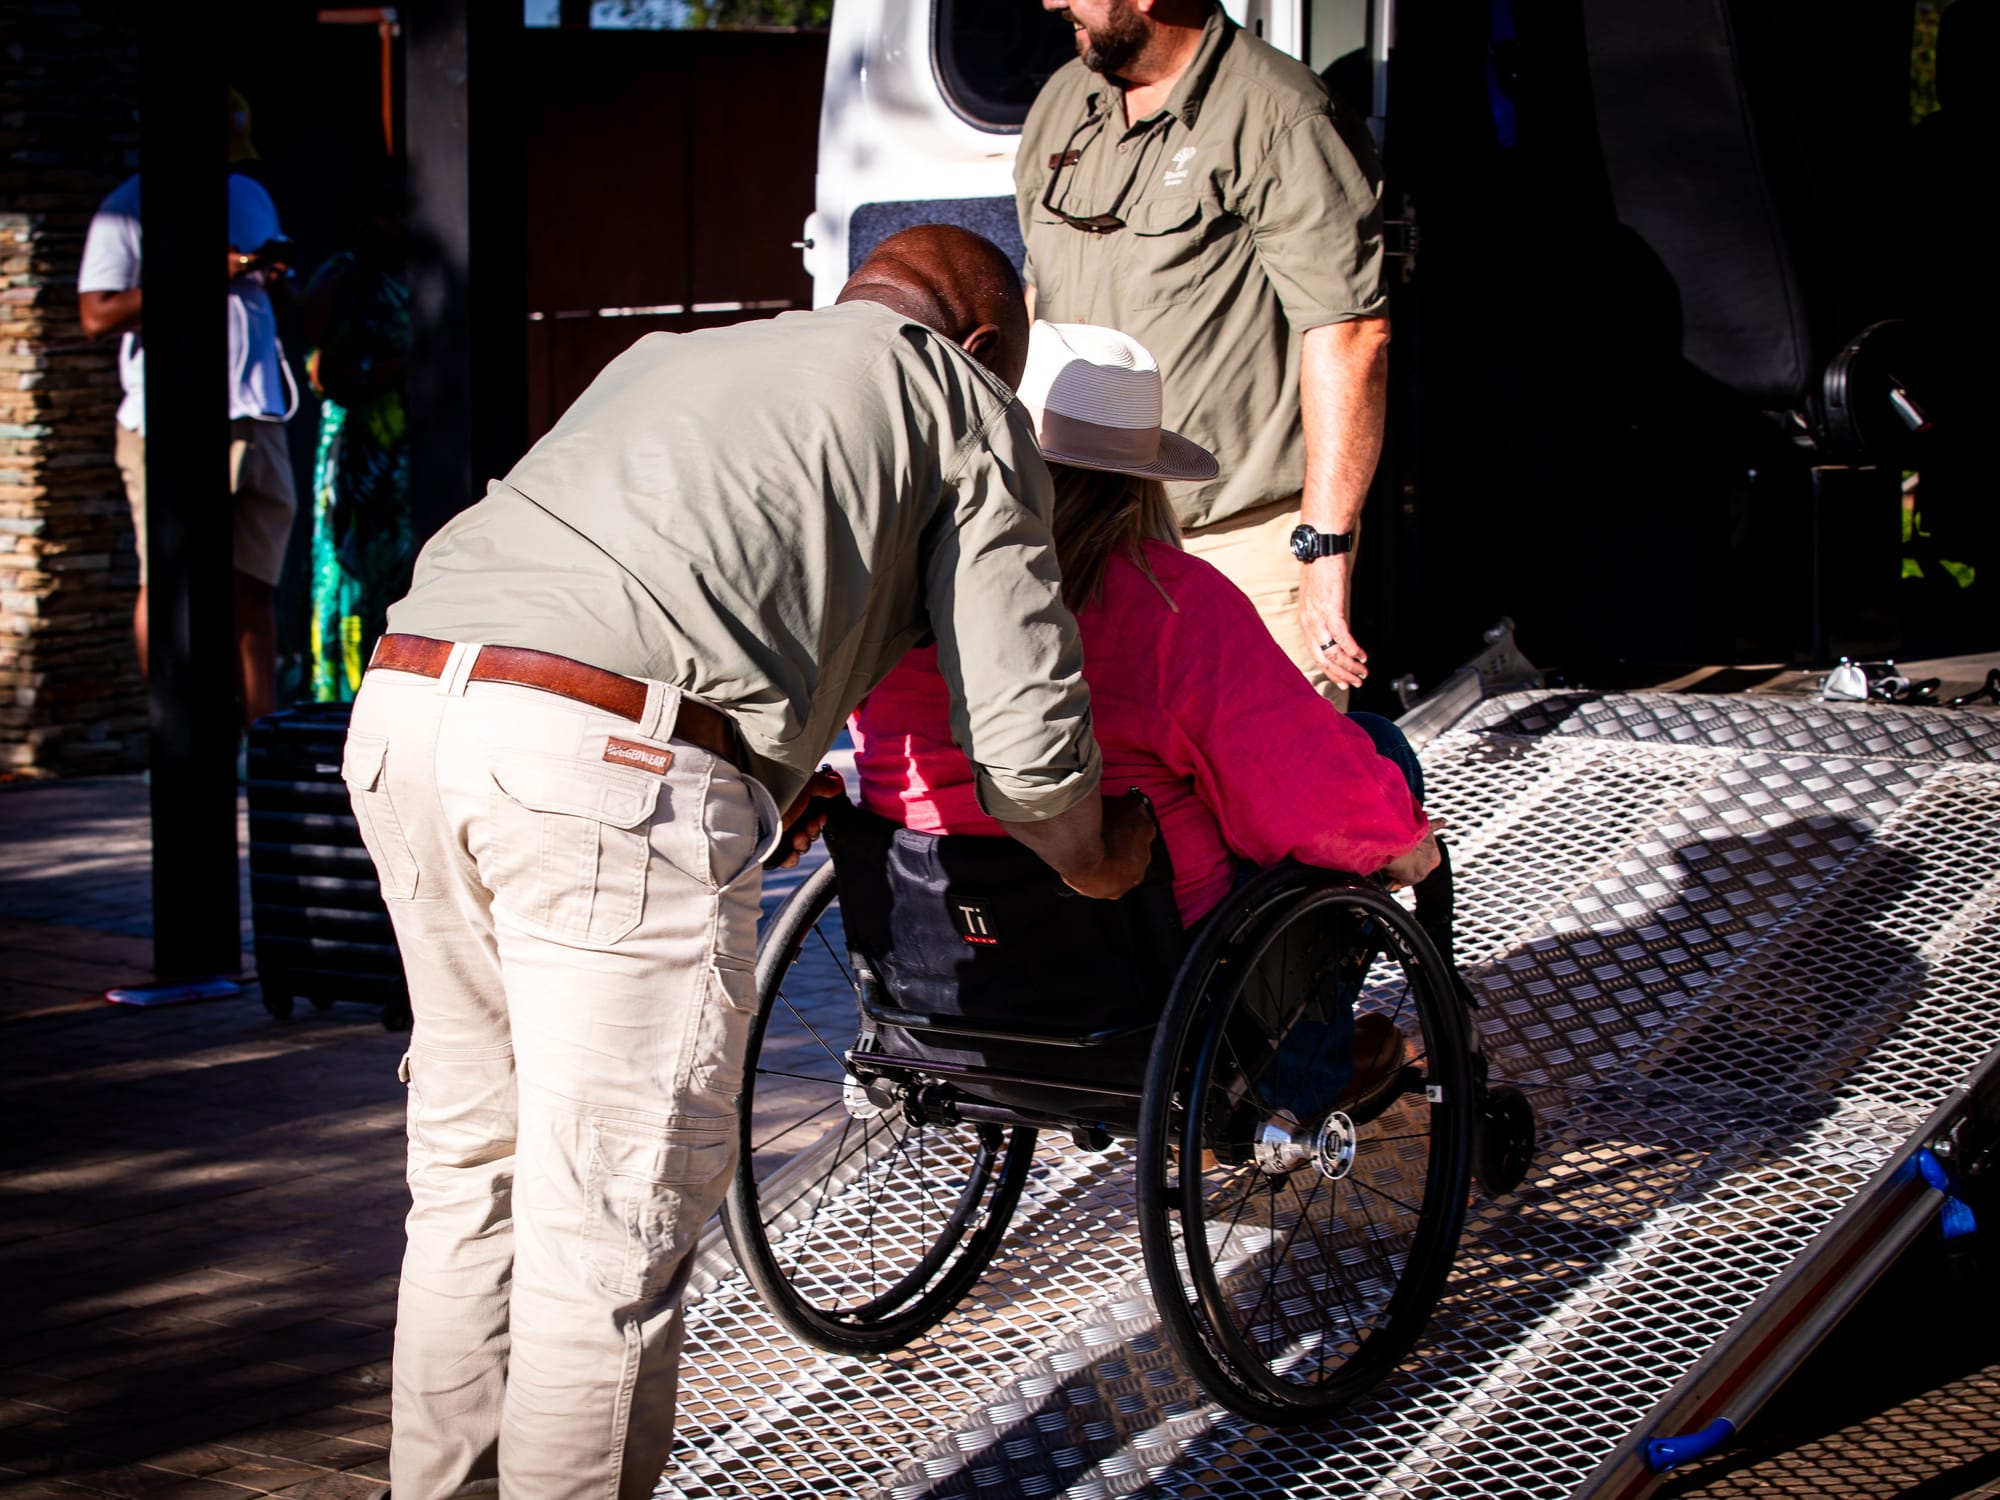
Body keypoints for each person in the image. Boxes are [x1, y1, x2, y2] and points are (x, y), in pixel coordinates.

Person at [344, 226, 1155, 1500]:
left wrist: (748, 780)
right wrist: (1093, 855)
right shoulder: (957, 398)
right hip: (604, 762)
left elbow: (673, 593)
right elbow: (1022, 725)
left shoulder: (680, 353)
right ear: (990, 344)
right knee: (606, 1238)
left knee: (468, 1183)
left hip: (408, 712)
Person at [850, 321, 1437, 1085]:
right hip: (1143, 969)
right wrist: (1399, 843)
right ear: (1135, 475)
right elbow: (1299, 792)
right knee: (1373, 750)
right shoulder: (1167, 604)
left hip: (939, 940)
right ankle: (1301, 1076)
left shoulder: (897, 591)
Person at [1015, 0, 1391, 706]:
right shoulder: (1064, 101)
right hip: (1076, 531)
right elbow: (1038, 298)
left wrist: (1325, 553)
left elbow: (1348, 332)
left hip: (1234, 538)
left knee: (1272, 795)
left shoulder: (1279, 112)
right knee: (1109, 790)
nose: (1052, 2)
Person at [76, 88, 300, 726]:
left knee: (254, 583)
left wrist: (270, 270)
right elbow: (96, 313)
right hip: (167, 422)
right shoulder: (126, 209)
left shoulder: (247, 194)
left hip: (257, 410)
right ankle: (174, 732)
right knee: (172, 579)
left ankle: (259, 733)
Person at [301, 173, 412, 701]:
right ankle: (341, 695)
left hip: (395, 450)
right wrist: (393, 369)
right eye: (382, 213)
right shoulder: (340, 276)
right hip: (353, 447)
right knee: (345, 576)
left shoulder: (402, 275)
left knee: (392, 569)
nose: (394, 225)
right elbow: (322, 369)